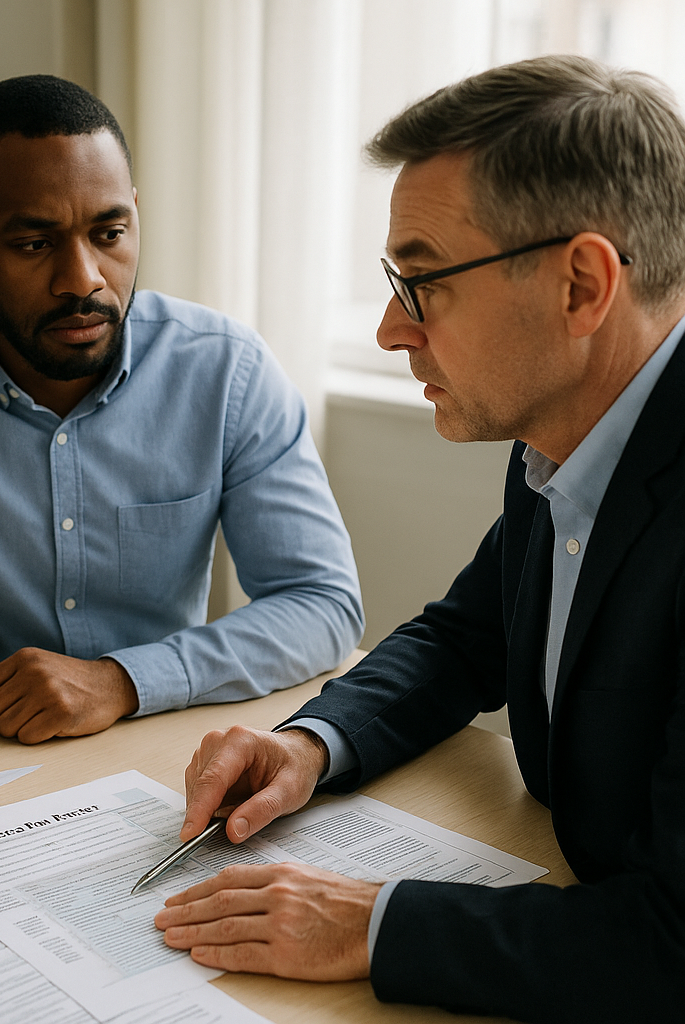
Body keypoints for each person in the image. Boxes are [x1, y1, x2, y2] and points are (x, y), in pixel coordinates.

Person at [154, 55, 685, 1022]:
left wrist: (375, 926)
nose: (395, 330)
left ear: (581, 286)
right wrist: (314, 744)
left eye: (425, 281)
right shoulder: (570, 428)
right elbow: (466, 637)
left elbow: (676, 944)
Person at [0, 75, 364, 744]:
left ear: (136, 213)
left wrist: (120, 680)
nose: (83, 279)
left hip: (160, 745)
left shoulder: (225, 370)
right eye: (34, 243)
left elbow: (323, 605)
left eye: (110, 232)